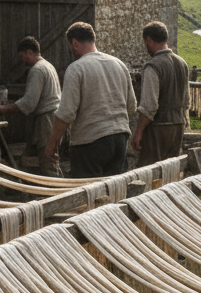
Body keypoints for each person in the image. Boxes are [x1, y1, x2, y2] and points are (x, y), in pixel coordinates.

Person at [45, 21, 136, 178]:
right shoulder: (119, 64)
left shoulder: (76, 68)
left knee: (88, 192)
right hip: (120, 139)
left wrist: (53, 144)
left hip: (90, 142)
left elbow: (66, 113)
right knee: (115, 191)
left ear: (74, 43)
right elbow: (132, 107)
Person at [0, 36, 61, 175]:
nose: (22, 60)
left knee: (49, 163)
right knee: (34, 158)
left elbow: (29, 103)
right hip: (52, 118)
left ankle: (59, 193)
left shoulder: (37, 70)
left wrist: (3, 109)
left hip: (46, 121)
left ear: (30, 52)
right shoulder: (48, 66)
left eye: (22, 56)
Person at [131, 20, 190, 166]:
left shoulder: (153, 66)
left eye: (146, 43)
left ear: (149, 40)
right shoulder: (182, 63)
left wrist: (138, 132)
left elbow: (149, 106)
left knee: (150, 171)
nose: (146, 47)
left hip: (158, 129)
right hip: (178, 126)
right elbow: (186, 101)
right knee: (171, 171)